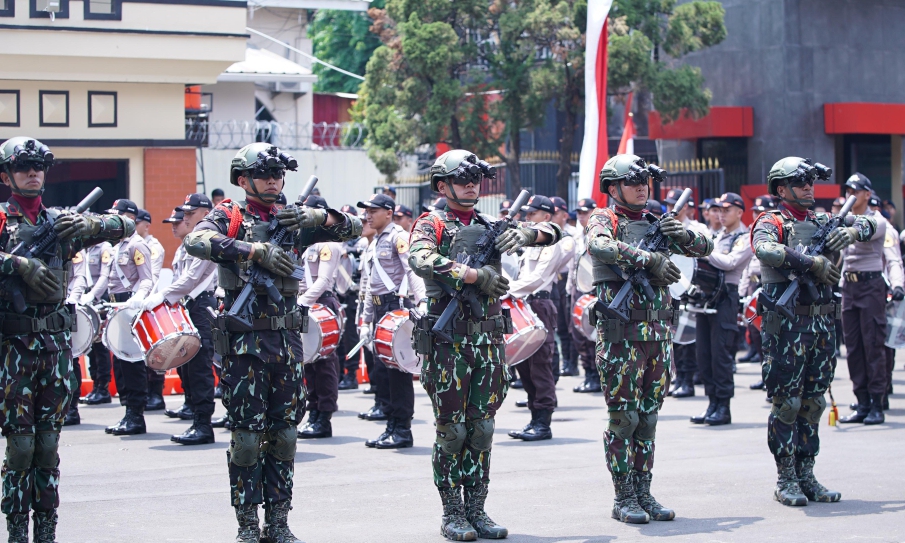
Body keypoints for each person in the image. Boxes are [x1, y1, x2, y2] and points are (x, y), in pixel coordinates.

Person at [183, 142, 361, 542]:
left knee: (284, 433)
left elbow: (352, 226)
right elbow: (196, 241)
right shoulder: (231, 214)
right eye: (263, 173)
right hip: (244, 343)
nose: (273, 179)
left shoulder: (294, 217)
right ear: (243, 179)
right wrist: (253, 249)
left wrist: (317, 214)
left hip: (286, 340)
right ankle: (247, 526)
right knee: (246, 436)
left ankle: (278, 523)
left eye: (278, 173)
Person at [409, 149, 560, 540]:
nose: (471, 184)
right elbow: (421, 258)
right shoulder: (432, 223)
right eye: (462, 179)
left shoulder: (492, 224)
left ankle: (477, 508)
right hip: (447, 341)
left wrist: (529, 232)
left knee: (482, 428)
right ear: (442, 186)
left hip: (488, 341)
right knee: (452, 430)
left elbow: (556, 233)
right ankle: (452, 513)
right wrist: (475, 275)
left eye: (476, 178)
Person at [0, 137, 132, 541]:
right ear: (7, 175)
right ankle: (17, 530)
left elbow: (125, 224)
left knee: (48, 445)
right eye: (24, 167)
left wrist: (89, 224)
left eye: (39, 166)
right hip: (13, 350)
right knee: (21, 447)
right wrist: (18, 264)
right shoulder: (3, 220)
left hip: (55, 349)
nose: (33, 173)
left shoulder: (60, 222)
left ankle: (47, 530)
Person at [586, 154, 713, 524]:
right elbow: (599, 245)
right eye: (633, 182)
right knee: (623, 417)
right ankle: (623, 496)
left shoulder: (659, 221)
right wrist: (648, 259)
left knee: (648, 418)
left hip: (658, 334)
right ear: (613, 188)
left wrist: (683, 234)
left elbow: (705, 247)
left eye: (645, 182)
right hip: (620, 335)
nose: (642, 188)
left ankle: (644, 491)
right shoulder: (604, 218)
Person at [751, 156, 875, 507]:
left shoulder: (825, 220)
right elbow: (765, 249)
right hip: (786, 326)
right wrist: (811, 263)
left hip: (821, 324)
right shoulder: (771, 220)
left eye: (811, 182)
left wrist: (852, 231)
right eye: (800, 182)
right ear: (781, 188)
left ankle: (807, 474)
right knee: (786, 403)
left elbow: (870, 223)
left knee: (814, 401)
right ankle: (786, 478)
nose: (809, 187)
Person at [144, 194, 219, 446]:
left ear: (206, 213)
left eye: (190, 213)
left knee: (199, 366)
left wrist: (160, 297)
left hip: (201, 305)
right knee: (186, 363)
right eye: (185, 213)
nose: (185, 217)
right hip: (188, 305)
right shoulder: (190, 242)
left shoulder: (207, 239)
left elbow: (192, 279)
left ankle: (203, 424)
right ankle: (195, 416)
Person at [358, 193, 425, 449]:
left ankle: (402, 430)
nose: (367, 215)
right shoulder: (374, 241)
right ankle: (391, 426)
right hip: (378, 309)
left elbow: (413, 270)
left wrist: (421, 302)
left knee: (398, 373)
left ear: (388, 212)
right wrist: (365, 321)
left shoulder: (399, 237)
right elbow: (370, 286)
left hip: (396, 307)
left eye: (373, 210)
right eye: (366, 211)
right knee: (383, 371)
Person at [506, 195, 566, 441]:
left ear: (547, 217)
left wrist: (508, 291)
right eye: (526, 214)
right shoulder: (528, 244)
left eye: (532, 214)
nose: (527, 219)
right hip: (522, 303)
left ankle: (543, 422)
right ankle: (534, 419)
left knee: (540, 365)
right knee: (523, 364)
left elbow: (539, 278)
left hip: (538, 303)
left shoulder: (551, 243)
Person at [689, 193, 752, 425]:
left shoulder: (744, 237)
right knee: (704, 354)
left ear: (739, 212)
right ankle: (712, 403)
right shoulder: (717, 235)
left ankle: (723, 407)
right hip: (707, 295)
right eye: (719, 210)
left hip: (727, 296)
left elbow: (730, 263)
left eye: (727, 210)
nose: (721, 214)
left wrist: (702, 250)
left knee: (721, 354)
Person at [837, 174, 889, 425]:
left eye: (855, 191)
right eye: (848, 190)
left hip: (871, 286)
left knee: (873, 345)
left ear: (868, 194)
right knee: (854, 348)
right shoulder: (844, 218)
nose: (851, 195)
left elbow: (859, 230)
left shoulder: (878, 221)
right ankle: (862, 401)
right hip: (849, 286)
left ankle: (877, 403)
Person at [104, 199, 155, 436]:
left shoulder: (137, 245)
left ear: (130, 217)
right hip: (116, 307)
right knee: (120, 361)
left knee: (133, 362)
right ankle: (127, 412)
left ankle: (136, 415)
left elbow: (147, 278)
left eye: (118, 215)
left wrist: (139, 297)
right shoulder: (117, 245)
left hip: (130, 306)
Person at [297, 194, 345, 440]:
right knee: (309, 361)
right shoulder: (307, 243)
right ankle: (313, 411)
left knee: (324, 363)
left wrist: (302, 302)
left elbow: (324, 280)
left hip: (321, 302)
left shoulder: (328, 242)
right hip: (306, 303)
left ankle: (324, 417)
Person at [663, 188, 709, 399]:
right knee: (673, 335)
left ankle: (687, 380)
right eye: (670, 204)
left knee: (687, 337)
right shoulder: (664, 227)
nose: (672, 208)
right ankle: (678, 377)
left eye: (676, 204)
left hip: (691, 285)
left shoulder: (698, 228)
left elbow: (704, 255)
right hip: (671, 286)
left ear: (687, 207)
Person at [68, 237, 114, 406]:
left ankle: (102, 387)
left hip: (97, 299)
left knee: (100, 345)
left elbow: (104, 276)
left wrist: (92, 295)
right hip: (83, 298)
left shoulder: (104, 248)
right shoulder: (86, 248)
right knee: (89, 347)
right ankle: (95, 386)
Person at [742, 196, 777, 389]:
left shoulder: (774, 229)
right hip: (753, 286)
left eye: (760, 212)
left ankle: (773, 378)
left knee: (768, 334)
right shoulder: (752, 231)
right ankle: (765, 375)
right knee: (756, 335)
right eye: (755, 212)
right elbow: (747, 266)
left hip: (768, 284)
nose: (756, 215)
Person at [135, 208, 168, 411]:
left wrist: (143, 296)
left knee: (155, 351)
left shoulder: (153, 246)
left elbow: (153, 275)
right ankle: (145, 392)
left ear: (146, 224)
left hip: (149, 302)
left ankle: (156, 393)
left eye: (137, 222)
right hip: (137, 303)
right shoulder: (130, 245)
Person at [569, 198, 599, 388]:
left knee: (594, 333)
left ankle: (596, 375)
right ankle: (588, 374)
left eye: (585, 212)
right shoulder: (575, 236)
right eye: (579, 213)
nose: (582, 216)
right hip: (576, 288)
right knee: (578, 332)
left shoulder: (599, 234)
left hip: (594, 287)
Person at [549, 196, 574, 386]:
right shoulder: (543, 234)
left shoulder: (569, 236)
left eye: (555, 212)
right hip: (551, 280)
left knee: (566, 325)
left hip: (564, 279)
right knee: (558, 326)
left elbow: (560, 260)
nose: (552, 216)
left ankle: (570, 362)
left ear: (565, 215)